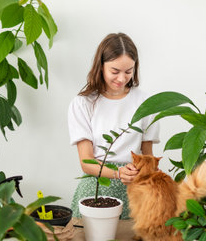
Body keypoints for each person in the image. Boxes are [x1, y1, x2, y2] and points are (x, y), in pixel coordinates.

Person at [67, 32, 160, 219]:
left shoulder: (145, 102)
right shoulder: (83, 103)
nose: (121, 78)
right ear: (100, 66)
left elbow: (148, 157)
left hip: (134, 188)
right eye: (115, 71)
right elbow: (86, 161)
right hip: (96, 187)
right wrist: (118, 173)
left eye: (128, 71)